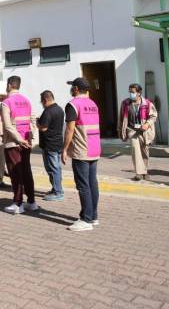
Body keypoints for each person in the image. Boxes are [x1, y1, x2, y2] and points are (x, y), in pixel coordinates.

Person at [62, 77, 100, 231]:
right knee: (92, 183)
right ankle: (93, 216)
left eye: (72, 86)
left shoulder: (72, 104)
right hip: (94, 147)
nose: (71, 89)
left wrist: (64, 149)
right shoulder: (93, 104)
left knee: (83, 185)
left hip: (81, 149)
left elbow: (70, 129)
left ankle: (86, 220)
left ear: (76, 89)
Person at [1, 76, 37, 214]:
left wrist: (19, 139)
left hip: (13, 143)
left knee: (15, 173)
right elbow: (33, 120)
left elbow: (7, 125)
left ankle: (18, 203)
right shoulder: (26, 101)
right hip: (26, 142)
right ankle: (32, 201)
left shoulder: (6, 102)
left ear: (9, 85)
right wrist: (29, 136)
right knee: (26, 170)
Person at [118, 83, 158, 181]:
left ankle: (145, 171)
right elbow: (121, 117)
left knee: (145, 151)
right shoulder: (125, 103)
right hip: (132, 130)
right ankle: (139, 173)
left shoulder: (147, 103)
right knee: (135, 149)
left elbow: (154, 116)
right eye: (130, 92)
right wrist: (120, 130)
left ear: (139, 93)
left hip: (144, 131)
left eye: (133, 92)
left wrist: (147, 124)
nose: (131, 94)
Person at [37, 90, 65, 201]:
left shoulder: (48, 111)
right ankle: (56, 189)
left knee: (53, 169)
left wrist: (37, 122)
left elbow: (43, 127)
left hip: (49, 145)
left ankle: (58, 192)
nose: (42, 104)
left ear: (45, 100)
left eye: (41, 101)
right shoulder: (59, 109)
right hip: (58, 143)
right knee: (57, 168)